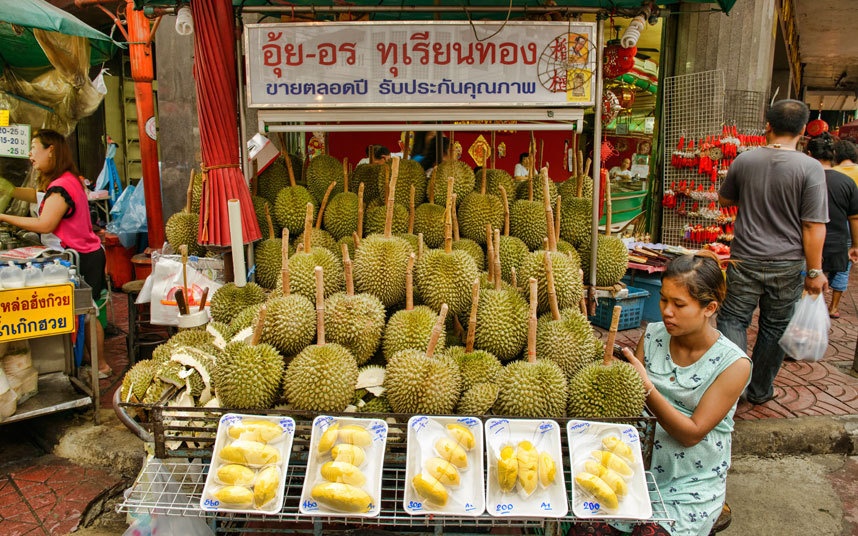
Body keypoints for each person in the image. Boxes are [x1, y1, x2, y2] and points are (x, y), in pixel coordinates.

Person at [570, 252, 751, 536]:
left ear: (709, 308)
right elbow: (631, 404)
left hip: (690, 484)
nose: (666, 311)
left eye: (679, 304)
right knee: (586, 531)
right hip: (635, 470)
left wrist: (646, 387)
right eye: (664, 299)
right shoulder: (653, 335)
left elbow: (692, 433)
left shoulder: (734, 364)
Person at [716, 99, 828, 405]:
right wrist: (815, 271)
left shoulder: (745, 160)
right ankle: (759, 389)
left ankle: (732, 388)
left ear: (768, 125)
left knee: (733, 320)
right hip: (788, 264)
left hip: (745, 258)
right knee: (775, 326)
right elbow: (813, 225)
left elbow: (725, 201)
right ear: (804, 130)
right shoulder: (810, 168)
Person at [0, 129, 110, 378]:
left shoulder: (62, 186)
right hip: (87, 252)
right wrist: (10, 189)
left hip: (80, 256)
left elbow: (45, 224)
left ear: (52, 150)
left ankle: (101, 366)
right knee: (85, 311)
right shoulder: (67, 181)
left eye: (34, 147)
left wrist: (3, 216)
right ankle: (88, 363)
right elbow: (41, 197)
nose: (30, 154)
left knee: (88, 310)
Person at [806, 134, 858, 318]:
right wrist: (855, 245)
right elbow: (854, 217)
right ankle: (833, 307)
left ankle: (809, 312)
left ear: (809, 154)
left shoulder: (805, 178)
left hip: (808, 241)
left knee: (809, 276)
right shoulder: (846, 181)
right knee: (840, 272)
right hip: (839, 239)